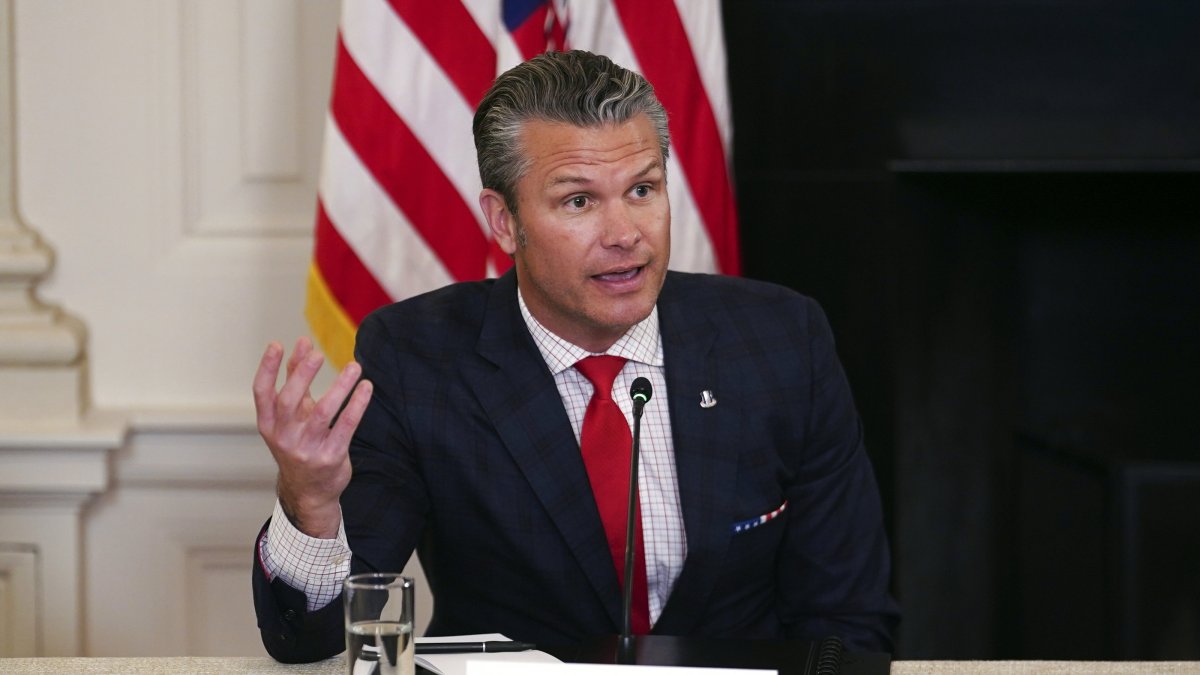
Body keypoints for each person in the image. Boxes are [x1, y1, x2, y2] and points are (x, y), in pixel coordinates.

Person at [251, 49, 898, 664]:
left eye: (643, 190)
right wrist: (311, 503)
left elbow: (847, 619)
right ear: (505, 222)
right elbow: (314, 639)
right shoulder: (418, 358)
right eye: (579, 201)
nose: (625, 235)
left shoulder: (780, 340)